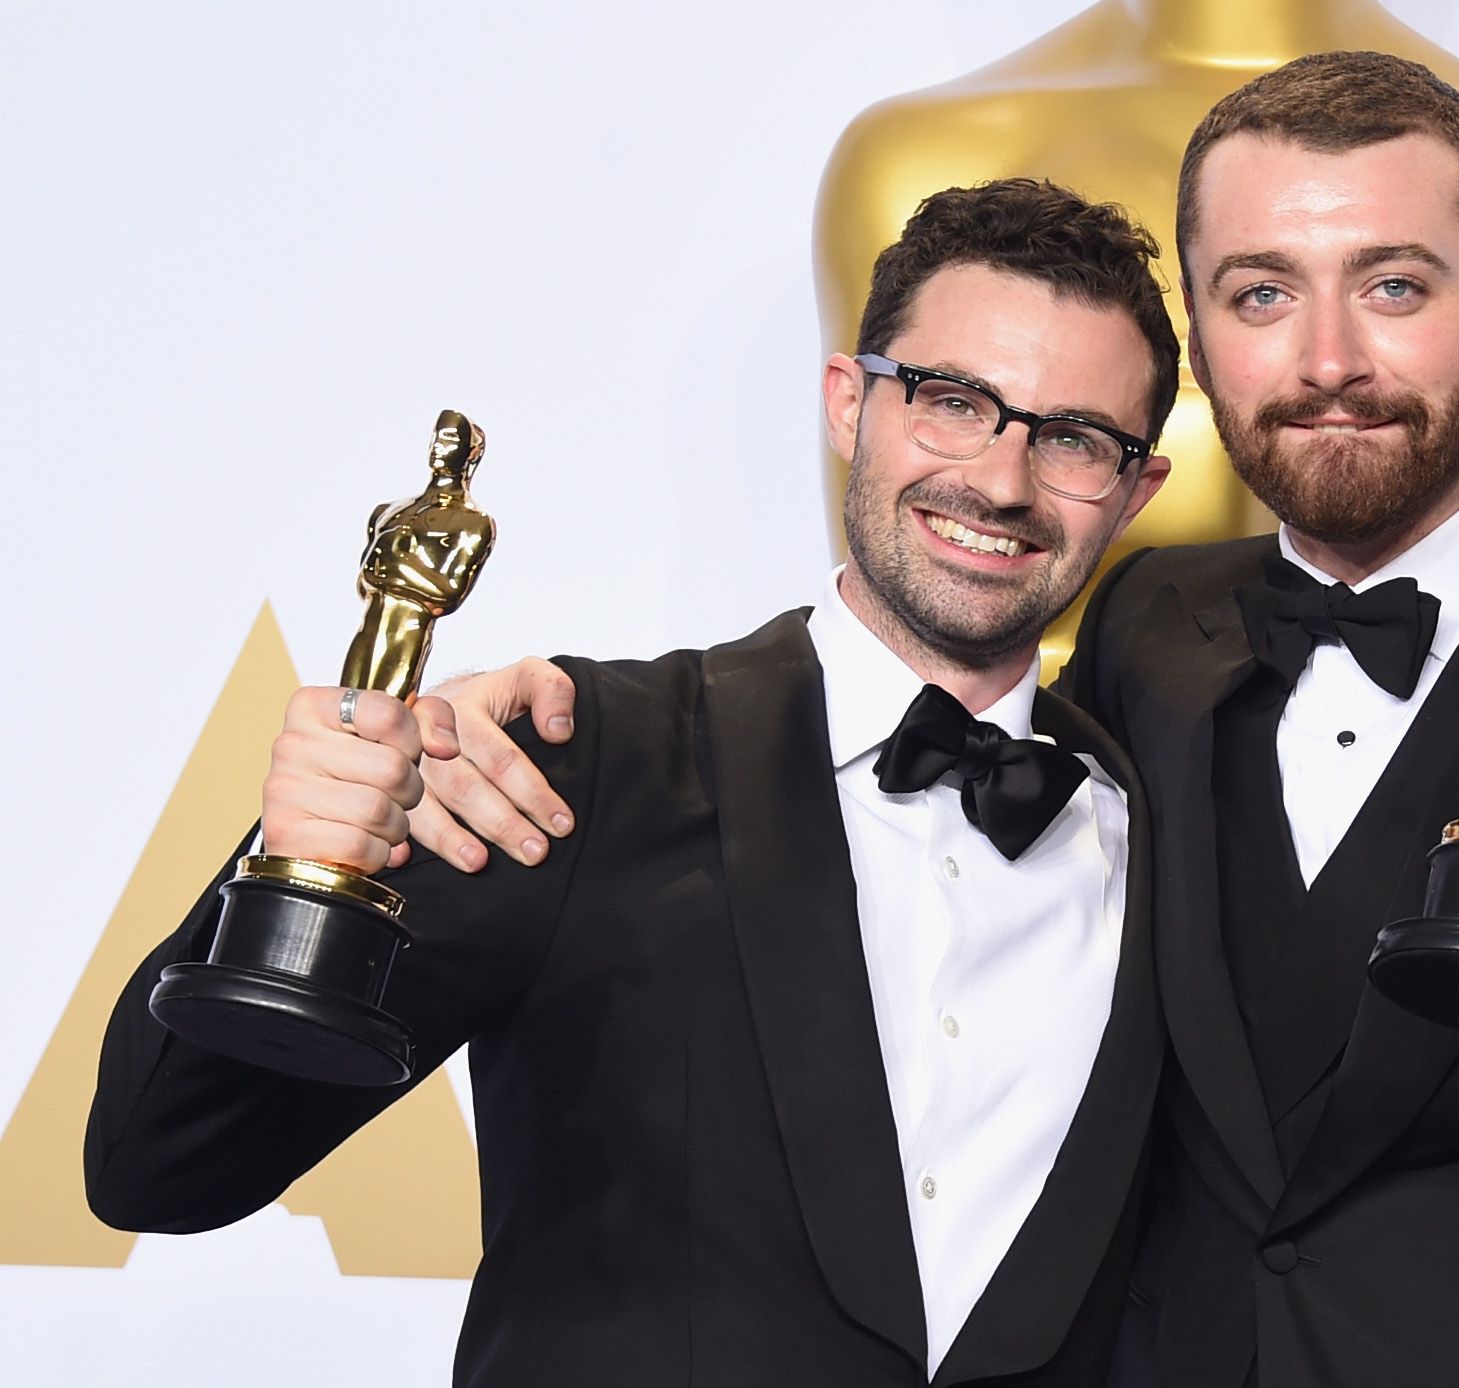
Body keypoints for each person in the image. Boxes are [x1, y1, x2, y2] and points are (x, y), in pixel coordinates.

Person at [415, 53, 1459, 1388]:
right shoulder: (1152, 623)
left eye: (1395, 286)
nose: (1329, 361)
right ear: (1202, 351)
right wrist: (516, 720)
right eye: (1260, 296)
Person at [85, 177, 1176, 1387]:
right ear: (848, 402)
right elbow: (161, 1162)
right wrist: (301, 858)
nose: (1004, 480)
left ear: (1137, 490)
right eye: (954, 401)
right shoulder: (561, 757)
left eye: (1075, 438)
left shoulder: (1164, 827)